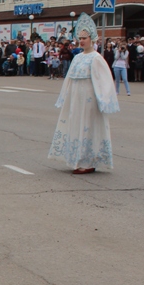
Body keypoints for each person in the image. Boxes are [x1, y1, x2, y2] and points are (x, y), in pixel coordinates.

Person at [48, 13, 119, 174]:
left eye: (84, 38)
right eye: (80, 38)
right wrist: (65, 96)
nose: (81, 41)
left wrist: (103, 100)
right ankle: (77, 158)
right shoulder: (77, 57)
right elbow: (69, 79)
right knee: (76, 124)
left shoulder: (96, 58)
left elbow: (105, 81)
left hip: (89, 99)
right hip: (76, 99)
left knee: (87, 127)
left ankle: (88, 161)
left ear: (92, 39)